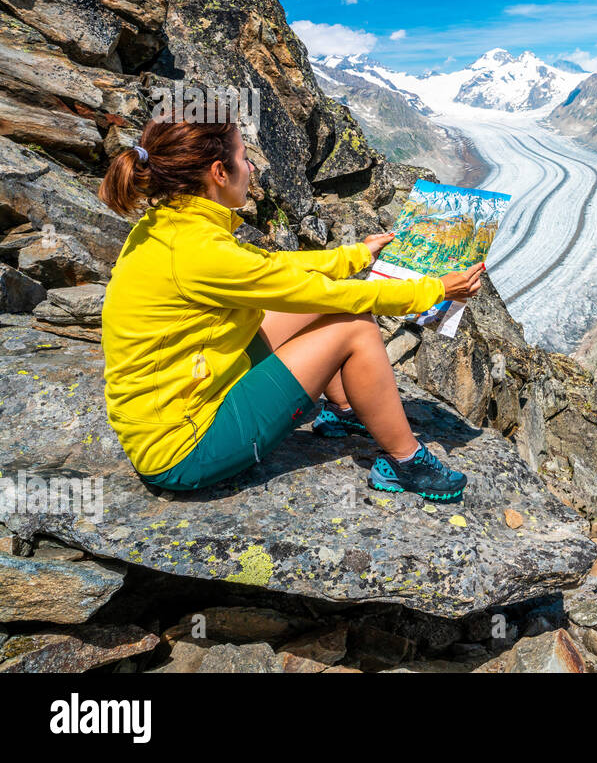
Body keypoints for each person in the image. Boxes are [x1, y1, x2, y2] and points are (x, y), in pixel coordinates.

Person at [96, 109, 484, 502]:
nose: (251, 168)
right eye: (244, 158)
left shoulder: (171, 225)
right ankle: (408, 462)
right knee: (354, 325)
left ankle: (348, 410)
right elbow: (327, 294)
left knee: (318, 307)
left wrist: (354, 256)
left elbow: (270, 269)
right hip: (186, 449)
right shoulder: (198, 251)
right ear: (218, 172)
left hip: (177, 400)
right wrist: (432, 290)